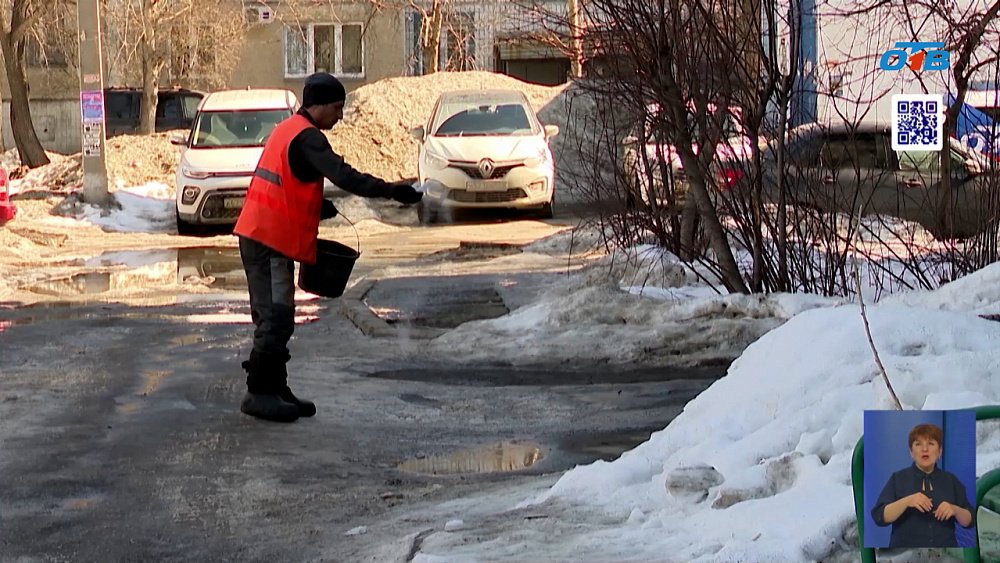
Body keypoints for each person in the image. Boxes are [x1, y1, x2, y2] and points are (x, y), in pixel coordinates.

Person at [233, 73, 422, 423]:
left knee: (277, 315)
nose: (340, 115)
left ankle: (276, 388)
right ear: (317, 105)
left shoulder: (289, 129)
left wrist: (318, 206)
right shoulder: (308, 137)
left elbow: (288, 177)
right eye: (336, 108)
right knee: (275, 316)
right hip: (267, 238)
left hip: (265, 234)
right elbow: (345, 176)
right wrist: (392, 190)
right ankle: (259, 393)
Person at [870, 423, 975, 548]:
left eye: (931, 444)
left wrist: (955, 510)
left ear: (940, 451)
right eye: (918, 444)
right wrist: (907, 501)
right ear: (911, 452)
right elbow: (879, 517)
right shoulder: (898, 479)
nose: (925, 449)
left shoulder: (951, 480)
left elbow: (970, 521)